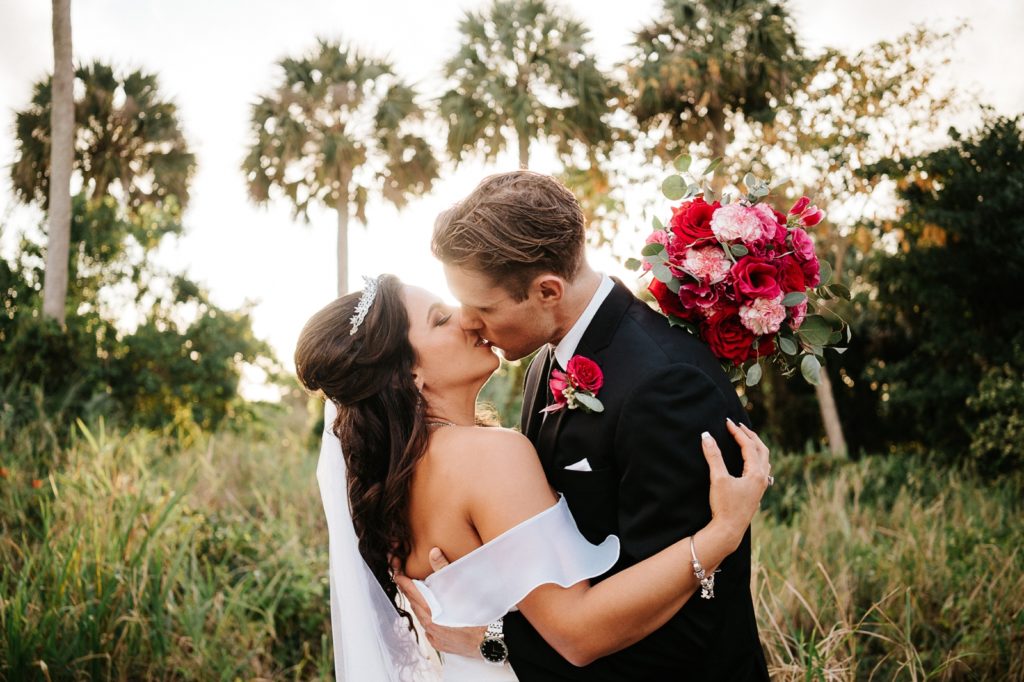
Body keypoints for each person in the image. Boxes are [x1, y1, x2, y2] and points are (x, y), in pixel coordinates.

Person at [296, 274, 772, 682]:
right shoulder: (489, 456)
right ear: (408, 376)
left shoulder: (394, 479)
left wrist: (492, 635)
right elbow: (578, 633)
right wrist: (721, 535)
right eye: (440, 319)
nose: (465, 318)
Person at [398, 170, 772, 681]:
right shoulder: (542, 366)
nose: (467, 321)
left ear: (547, 291)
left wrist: (498, 644)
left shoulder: (666, 384)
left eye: (482, 307)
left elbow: (687, 615)